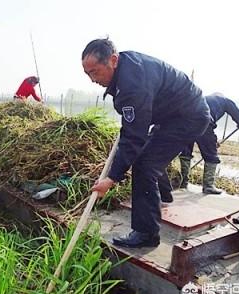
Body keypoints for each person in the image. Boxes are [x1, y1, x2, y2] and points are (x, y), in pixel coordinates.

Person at [82, 38, 211, 248]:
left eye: (95, 72)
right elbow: (134, 126)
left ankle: (146, 234)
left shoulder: (133, 82)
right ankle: (165, 196)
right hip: (172, 115)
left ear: (113, 60)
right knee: (150, 156)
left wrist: (112, 178)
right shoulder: (126, 68)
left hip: (188, 116)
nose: (92, 79)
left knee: (144, 164)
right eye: (87, 74)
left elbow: (134, 137)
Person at [174, 93, 239, 194]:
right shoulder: (225, 100)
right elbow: (237, 112)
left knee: (186, 152)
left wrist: (212, 141)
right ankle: (208, 186)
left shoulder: (205, 98)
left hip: (187, 122)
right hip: (204, 121)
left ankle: (183, 182)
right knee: (211, 154)